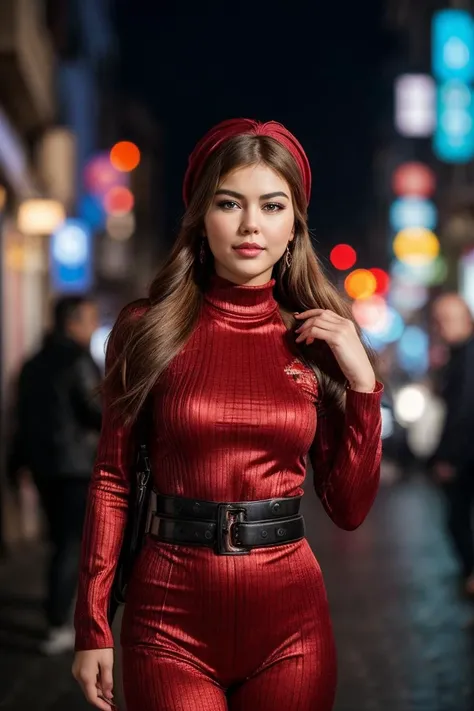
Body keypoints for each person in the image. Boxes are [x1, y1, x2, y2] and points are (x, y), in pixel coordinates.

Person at [72, 118, 383, 711]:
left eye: (272, 206)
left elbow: (348, 508)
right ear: (200, 217)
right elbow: (111, 480)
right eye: (228, 203)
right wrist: (92, 622)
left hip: (293, 627)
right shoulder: (146, 330)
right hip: (168, 622)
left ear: (294, 226)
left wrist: (364, 385)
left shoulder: (316, 342)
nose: (250, 225)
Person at [9, 295, 102, 654]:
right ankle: (57, 622)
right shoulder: (79, 360)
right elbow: (96, 411)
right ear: (72, 322)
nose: (93, 325)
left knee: (59, 541)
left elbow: (21, 420)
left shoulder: (31, 364)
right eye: (90, 318)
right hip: (75, 466)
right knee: (71, 544)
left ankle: (55, 608)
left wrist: (16, 465)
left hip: (43, 466)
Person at [431, 292, 474, 595]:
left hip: (466, 457)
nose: (441, 326)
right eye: (438, 320)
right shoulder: (457, 353)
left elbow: (463, 411)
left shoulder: (467, 355)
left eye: (447, 319)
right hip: (464, 454)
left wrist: (449, 458)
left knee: (457, 520)